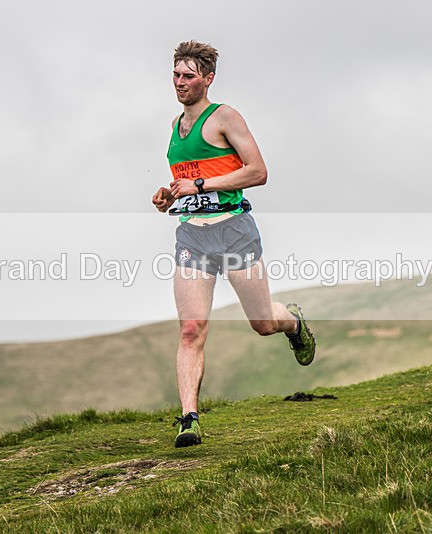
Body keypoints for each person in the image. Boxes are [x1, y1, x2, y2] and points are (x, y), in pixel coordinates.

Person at [152, 41, 315, 448]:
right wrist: (171, 196)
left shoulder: (224, 116)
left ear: (208, 79)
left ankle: (292, 323)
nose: (180, 82)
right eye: (176, 74)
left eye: (189, 75)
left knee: (262, 323)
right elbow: (189, 184)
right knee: (191, 329)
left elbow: (258, 171)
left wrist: (201, 184)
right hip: (193, 235)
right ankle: (188, 419)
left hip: (235, 230)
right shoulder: (175, 128)